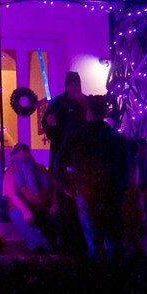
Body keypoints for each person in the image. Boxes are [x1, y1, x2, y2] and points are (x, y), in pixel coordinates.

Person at [55, 95, 129, 262]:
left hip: (87, 191)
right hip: (112, 193)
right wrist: (122, 189)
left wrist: (65, 183)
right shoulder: (115, 138)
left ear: (88, 112)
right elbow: (126, 165)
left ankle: (96, 279)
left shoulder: (78, 135)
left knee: (94, 243)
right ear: (105, 112)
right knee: (114, 243)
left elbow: (59, 159)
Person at [42, 71, 88, 255]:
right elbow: (49, 124)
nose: (75, 87)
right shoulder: (58, 103)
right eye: (72, 84)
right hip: (61, 149)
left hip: (79, 152)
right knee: (61, 189)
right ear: (66, 85)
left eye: (78, 84)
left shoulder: (84, 102)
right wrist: (50, 125)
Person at [2, 143, 58, 253]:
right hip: (22, 209)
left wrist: (55, 204)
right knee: (17, 215)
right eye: (22, 153)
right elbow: (11, 195)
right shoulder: (11, 172)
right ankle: (42, 249)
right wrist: (26, 211)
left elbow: (55, 187)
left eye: (27, 152)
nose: (26, 156)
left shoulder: (40, 168)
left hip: (44, 207)